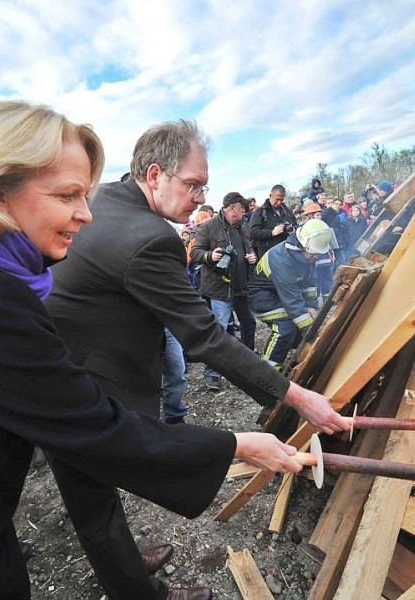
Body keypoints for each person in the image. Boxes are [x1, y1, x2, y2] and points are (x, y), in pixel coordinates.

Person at [0, 101, 328, 600]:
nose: (85, 214)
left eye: (84, 194)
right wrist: (237, 443)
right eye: (66, 196)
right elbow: (99, 426)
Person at [45, 119, 348, 599]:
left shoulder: (102, 197)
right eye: (192, 185)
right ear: (154, 174)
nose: (197, 197)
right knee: (93, 499)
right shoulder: (148, 238)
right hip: (80, 381)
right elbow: (205, 336)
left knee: (95, 497)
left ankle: (122, 553)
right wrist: (295, 395)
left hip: (71, 357)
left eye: (203, 187)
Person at [190, 192, 257, 389]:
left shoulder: (243, 226)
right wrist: (210, 256)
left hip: (241, 288)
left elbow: (249, 248)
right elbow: (195, 253)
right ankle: (212, 374)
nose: (243, 212)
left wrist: (252, 256)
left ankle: (247, 366)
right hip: (220, 289)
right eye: (240, 209)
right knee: (219, 331)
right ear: (229, 208)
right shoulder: (208, 226)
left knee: (249, 324)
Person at [248, 220, 334, 369]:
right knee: (286, 329)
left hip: (282, 295)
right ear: (301, 246)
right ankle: (268, 371)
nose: (317, 258)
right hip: (262, 298)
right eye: (314, 254)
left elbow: (310, 283)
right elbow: (293, 303)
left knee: (298, 329)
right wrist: (311, 333)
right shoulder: (281, 261)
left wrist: (311, 306)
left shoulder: (306, 255)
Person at [247, 184, 298, 258]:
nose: (279, 202)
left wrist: (292, 229)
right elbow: (252, 232)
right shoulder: (259, 212)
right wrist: (272, 233)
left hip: (287, 253)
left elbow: (295, 225)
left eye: (282, 200)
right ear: (270, 196)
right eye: (277, 199)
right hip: (269, 255)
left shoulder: (286, 211)